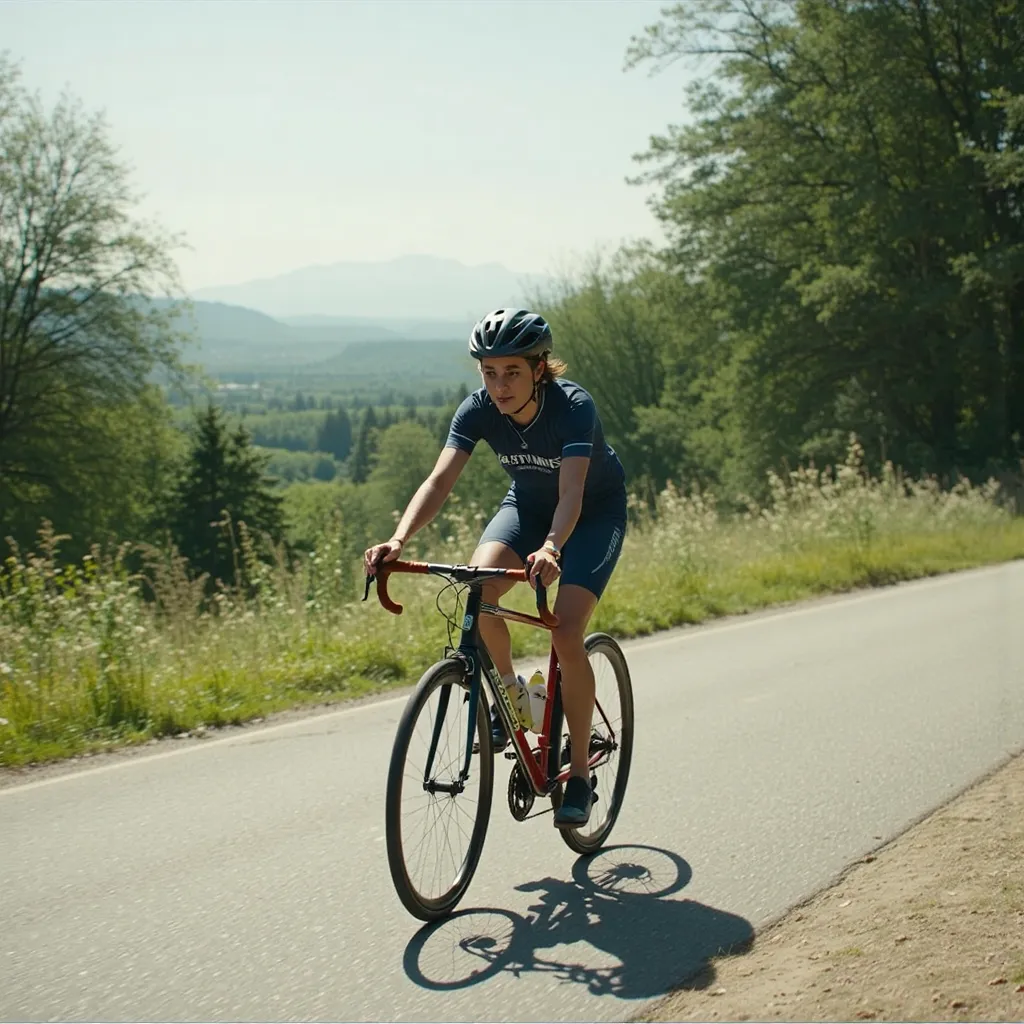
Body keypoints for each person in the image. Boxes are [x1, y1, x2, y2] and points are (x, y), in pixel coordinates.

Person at [363, 307, 627, 827]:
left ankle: (577, 777)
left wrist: (552, 548)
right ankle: (513, 703)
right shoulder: (478, 410)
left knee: (567, 632)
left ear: (538, 367)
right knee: (477, 591)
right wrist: (397, 539)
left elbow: (572, 491)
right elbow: (438, 482)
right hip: (527, 507)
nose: (499, 385)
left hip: (592, 513)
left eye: (511, 372)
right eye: (488, 372)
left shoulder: (573, 406)